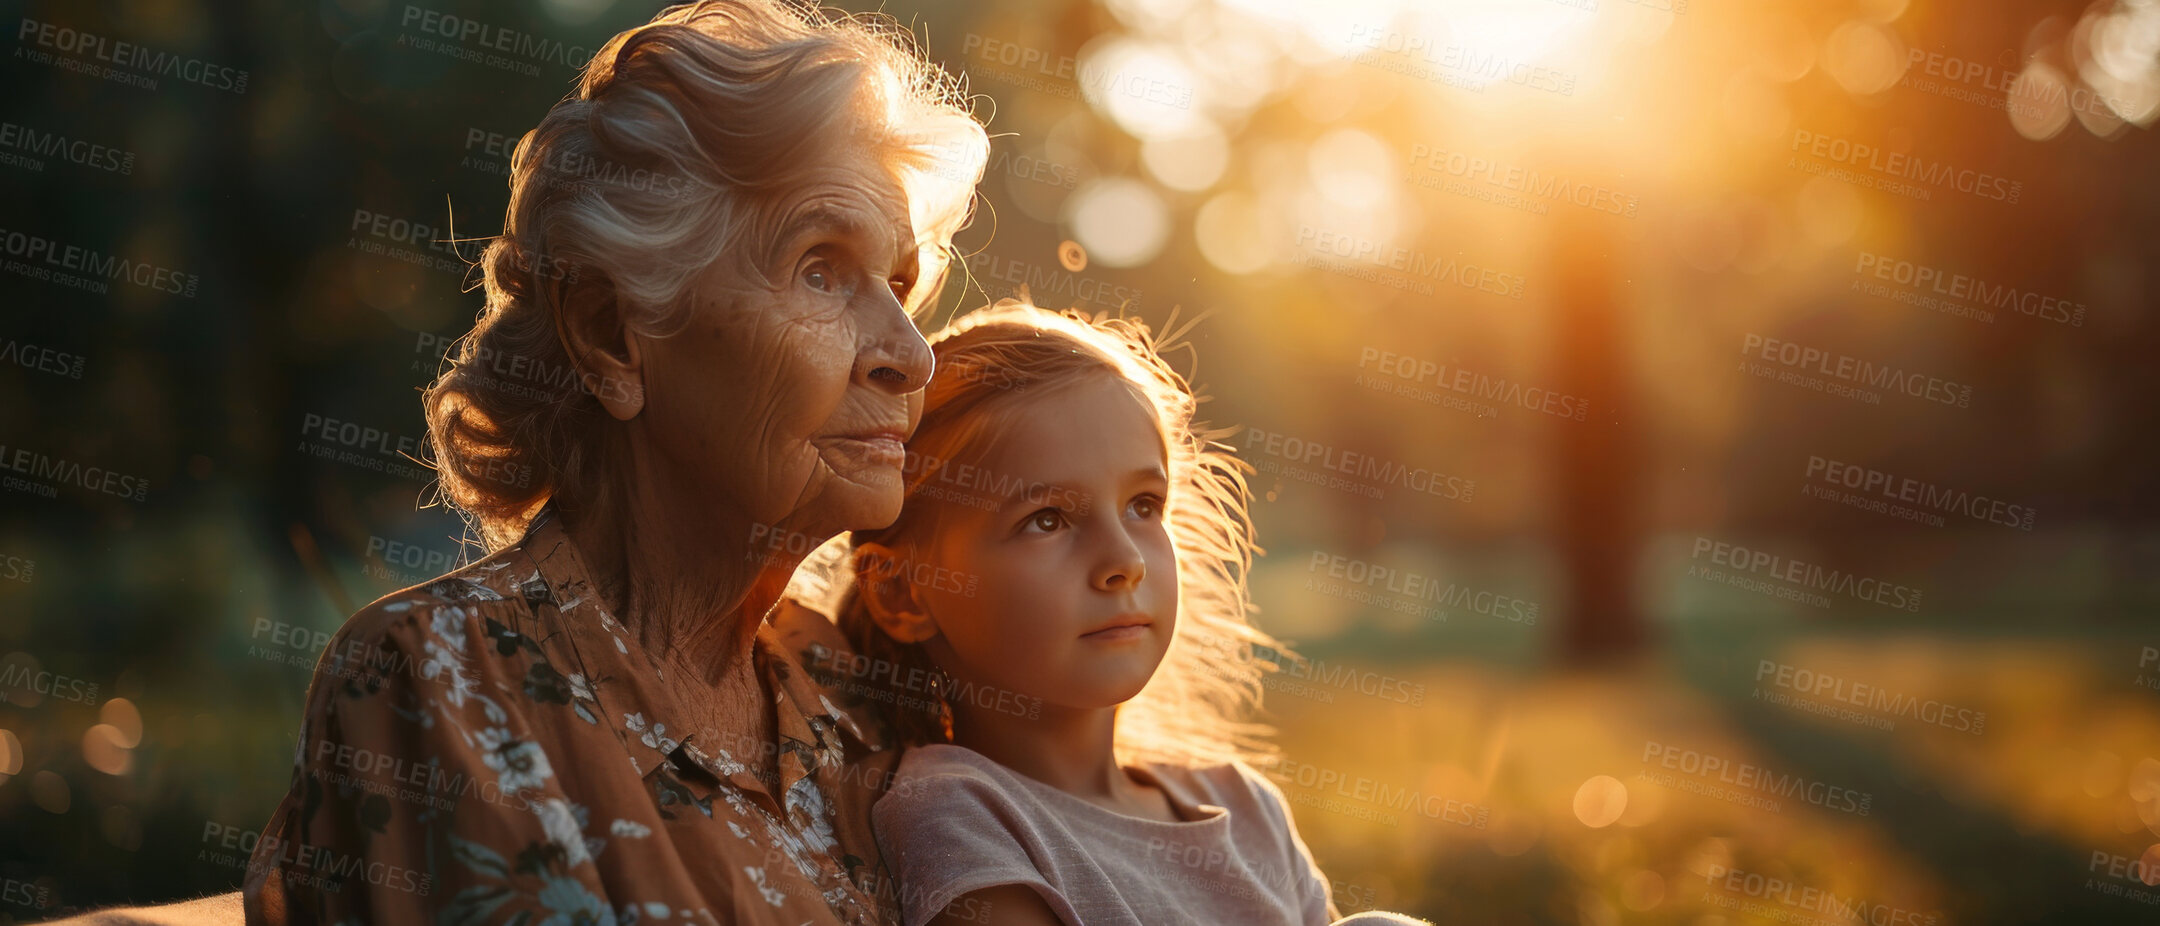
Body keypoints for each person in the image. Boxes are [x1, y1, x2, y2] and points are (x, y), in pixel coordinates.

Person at [236, 2, 988, 923]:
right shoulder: (442, 676)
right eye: (821, 270)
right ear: (609, 336)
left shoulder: (844, 694)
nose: (912, 355)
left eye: (902, 285)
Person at [832, 300, 1431, 926]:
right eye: (1046, 519)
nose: (1123, 560)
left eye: (1144, 505)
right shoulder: (960, 815)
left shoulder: (1244, 806)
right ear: (903, 593)